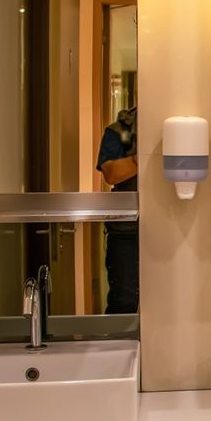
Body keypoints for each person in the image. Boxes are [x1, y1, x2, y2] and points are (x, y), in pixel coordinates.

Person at [95, 107, 139, 314]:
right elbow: (111, 174)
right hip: (126, 230)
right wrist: (143, 156)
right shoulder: (120, 129)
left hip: (171, 226)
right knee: (124, 300)